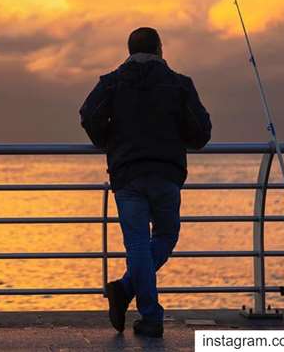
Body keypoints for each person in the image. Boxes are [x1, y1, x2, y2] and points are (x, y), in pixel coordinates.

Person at [79, 27, 211, 338]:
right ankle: (137, 304)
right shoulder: (179, 85)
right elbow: (201, 133)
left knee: (137, 243)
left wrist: (106, 139)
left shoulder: (111, 83)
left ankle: (131, 294)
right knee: (166, 235)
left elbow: (88, 116)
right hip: (166, 173)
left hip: (127, 174)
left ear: (129, 50)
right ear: (160, 49)